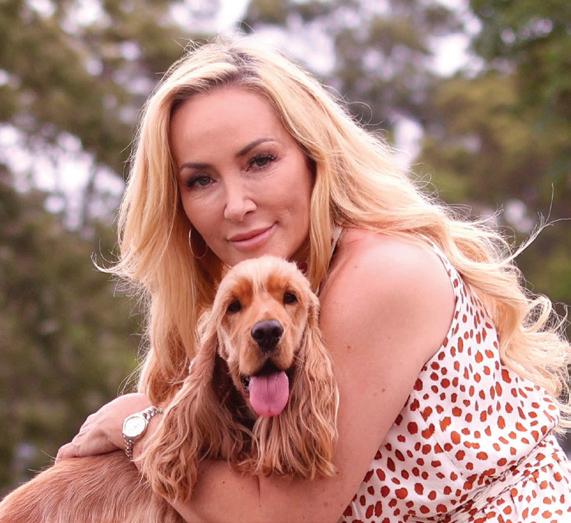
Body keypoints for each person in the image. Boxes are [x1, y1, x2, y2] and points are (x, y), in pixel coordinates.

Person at [55, 36, 571, 522]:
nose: (236, 205)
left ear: (313, 157)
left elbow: (283, 515)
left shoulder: (382, 272)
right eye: (201, 180)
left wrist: (138, 425)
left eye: (260, 161)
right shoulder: (258, 309)